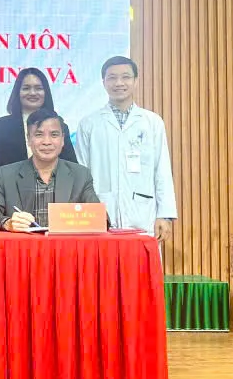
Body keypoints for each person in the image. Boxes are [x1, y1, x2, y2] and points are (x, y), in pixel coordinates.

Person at [76, 56, 177, 242]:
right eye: (112, 78)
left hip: (143, 215)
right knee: (102, 259)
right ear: (103, 82)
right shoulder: (88, 124)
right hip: (100, 213)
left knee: (140, 259)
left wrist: (165, 215)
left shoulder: (152, 122)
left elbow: (162, 170)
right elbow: (81, 173)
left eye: (125, 77)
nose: (119, 83)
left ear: (136, 81)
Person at [0, 108, 100, 232]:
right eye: (39, 135)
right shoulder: (6, 174)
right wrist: (7, 223)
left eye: (54, 135)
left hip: (64, 243)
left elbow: (101, 218)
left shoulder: (81, 175)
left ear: (62, 139)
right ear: (28, 139)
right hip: (23, 243)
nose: (47, 142)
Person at [0, 67, 77, 183]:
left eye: (38, 88)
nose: (32, 93)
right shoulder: (1, 126)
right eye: (26, 88)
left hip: (55, 191)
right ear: (18, 92)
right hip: (11, 191)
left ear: (46, 92)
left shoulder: (60, 126)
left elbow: (72, 169)